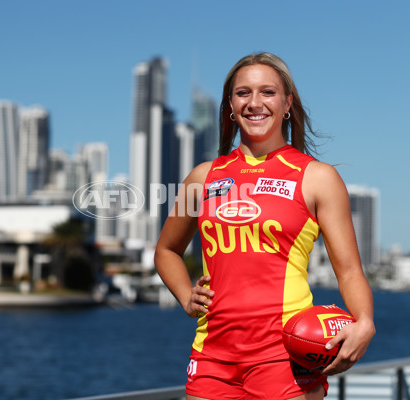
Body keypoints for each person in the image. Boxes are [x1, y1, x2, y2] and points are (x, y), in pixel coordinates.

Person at [154, 52, 375, 400]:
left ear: (287, 103)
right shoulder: (202, 177)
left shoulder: (318, 178)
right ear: (230, 104)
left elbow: (348, 270)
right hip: (212, 356)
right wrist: (185, 295)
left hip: (285, 358)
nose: (254, 103)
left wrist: (364, 321)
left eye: (267, 92)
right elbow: (166, 250)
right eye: (243, 93)